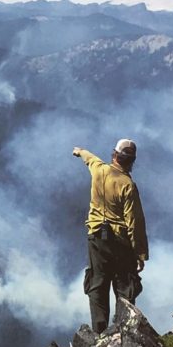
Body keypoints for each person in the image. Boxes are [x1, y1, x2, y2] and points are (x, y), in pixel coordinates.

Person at [72, 139, 148, 333]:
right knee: (124, 286)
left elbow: (91, 159)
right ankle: (125, 331)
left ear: (114, 155)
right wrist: (140, 253)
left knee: (97, 282)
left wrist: (80, 151)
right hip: (121, 244)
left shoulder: (99, 170)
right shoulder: (128, 185)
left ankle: (99, 331)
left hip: (97, 239)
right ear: (132, 161)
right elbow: (134, 222)